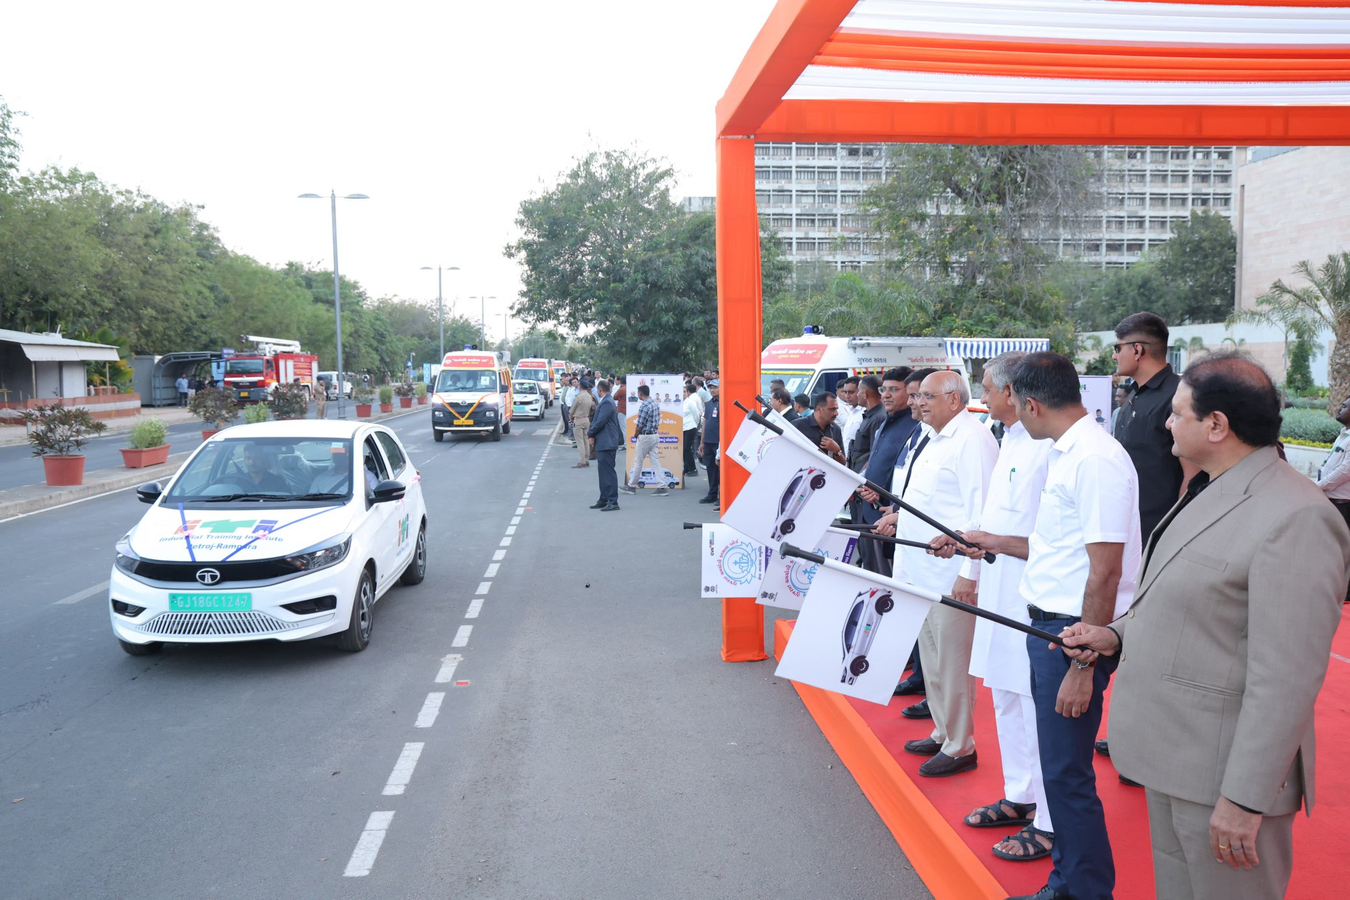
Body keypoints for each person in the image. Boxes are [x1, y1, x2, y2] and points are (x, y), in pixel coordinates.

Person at [1060, 352, 1350, 900]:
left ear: (1217, 425)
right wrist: (1116, 633)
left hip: (1223, 776)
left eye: (1177, 413)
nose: (1166, 422)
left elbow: (1285, 679)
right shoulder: (1210, 487)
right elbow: (1179, 599)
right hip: (1175, 758)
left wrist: (1245, 798)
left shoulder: (1296, 516)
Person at [1002, 351, 1141, 900]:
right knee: (1059, 770)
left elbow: (1105, 571)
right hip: (1053, 630)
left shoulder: (1094, 459)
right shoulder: (1068, 451)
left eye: (1013, 403)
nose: (1012, 413)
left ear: (1032, 403)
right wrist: (988, 541)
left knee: (1066, 774)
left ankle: (1082, 889)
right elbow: (1059, 548)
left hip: (1073, 637)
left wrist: (1083, 665)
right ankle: (1069, 881)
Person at [932, 353, 1056, 862]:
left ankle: (1049, 822)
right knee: (1005, 694)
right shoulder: (1010, 437)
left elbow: (1047, 535)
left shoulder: (1051, 447)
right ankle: (1021, 795)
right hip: (1002, 585)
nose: (983, 398)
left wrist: (987, 544)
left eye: (988, 389)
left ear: (1013, 392)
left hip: (1034, 593)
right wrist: (970, 544)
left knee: (1032, 704)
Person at [875, 370, 998, 779]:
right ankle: (944, 731)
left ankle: (961, 745)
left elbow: (980, 512)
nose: (919, 402)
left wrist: (970, 571)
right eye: (919, 395)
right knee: (931, 658)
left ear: (955, 400)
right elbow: (928, 499)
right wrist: (897, 515)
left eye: (928, 396)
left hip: (950, 576)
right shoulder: (933, 435)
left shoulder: (973, 439)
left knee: (953, 663)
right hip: (920, 569)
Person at [1104, 312, 1200, 769]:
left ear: (1138, 350)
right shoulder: (1130, 401)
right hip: (1126, 539)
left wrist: (1173, 535)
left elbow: (1191, 475)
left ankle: (1152, 746)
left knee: (1159, 642)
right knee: (1130, 637)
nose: (1116, 356)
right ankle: (1129, 732)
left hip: (1160, 538)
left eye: (1119, 348)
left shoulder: (1180, 397)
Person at [853, 368, 918, 578]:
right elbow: (875, 461)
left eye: (894, 389)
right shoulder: (886, 421)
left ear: (909, 393)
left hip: (890, 519)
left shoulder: (915, 426)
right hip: (870, 513)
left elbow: (908, 473)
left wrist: (885, 496)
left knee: (888, 586)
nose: (886, 395)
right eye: (884, 389)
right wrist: (865, 484)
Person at [623, 385, 667, 497]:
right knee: (655, 461)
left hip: (645, 436)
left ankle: (631, 486)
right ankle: (661, 486)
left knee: (638, 461)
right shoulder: (655, 404)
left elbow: (640, 424)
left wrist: (636, 434)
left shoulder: (644, 405)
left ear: (641, 393)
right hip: (654, 435)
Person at [587, 380, 621, 511]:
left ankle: (613, 500)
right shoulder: (606, 401)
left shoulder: (607, 402)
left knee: (608, 473)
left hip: (607, 442)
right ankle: (604, 498)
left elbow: (600, 421)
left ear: (600, 389)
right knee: (603, 472)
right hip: (603, 441)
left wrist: (590, 433)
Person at [791, 391, 845, 465]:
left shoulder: (835, 429)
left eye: (836, 409)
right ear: (819, 409)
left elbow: (843, 464)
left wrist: (837, 450)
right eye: (832, 409)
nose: (836, 413)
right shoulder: (798, 426)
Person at [846, 376, 884, 474]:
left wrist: (861, 477)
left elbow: (874, 455)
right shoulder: (870, 415)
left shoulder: (878, 418)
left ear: (865, 394)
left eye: (859, 391)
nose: (857, 394)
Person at [698, 380, 721, 507]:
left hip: (719, 442)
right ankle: (712, 493)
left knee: (720, 471)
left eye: (715, 387)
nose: (712, 390)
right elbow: (705, 422)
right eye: (711, 388)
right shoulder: (708, 404)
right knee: (710, 469)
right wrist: (702, 442)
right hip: (708, 441)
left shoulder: (723, 403)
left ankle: (721, 495)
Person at [570, 379, 595, 468]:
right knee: (586, 440)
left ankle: (582, 460)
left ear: (580, 386)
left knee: (579, 441)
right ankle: (587, 459)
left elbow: (572, 410)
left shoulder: (579, 397)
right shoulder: (589, 396)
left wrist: (571, 416)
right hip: (586, 419)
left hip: (579, 419)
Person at [682, 382, 702, 477]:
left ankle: (693, 468)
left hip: (690, 427)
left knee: (687, 448)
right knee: (683, 449)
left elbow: (696, 414)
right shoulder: (679, 403)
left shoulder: (690, 402)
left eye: (684, 392)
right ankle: (686, 468)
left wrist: (695, 424)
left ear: (687, 392)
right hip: (682, 428)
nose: (683, 393)